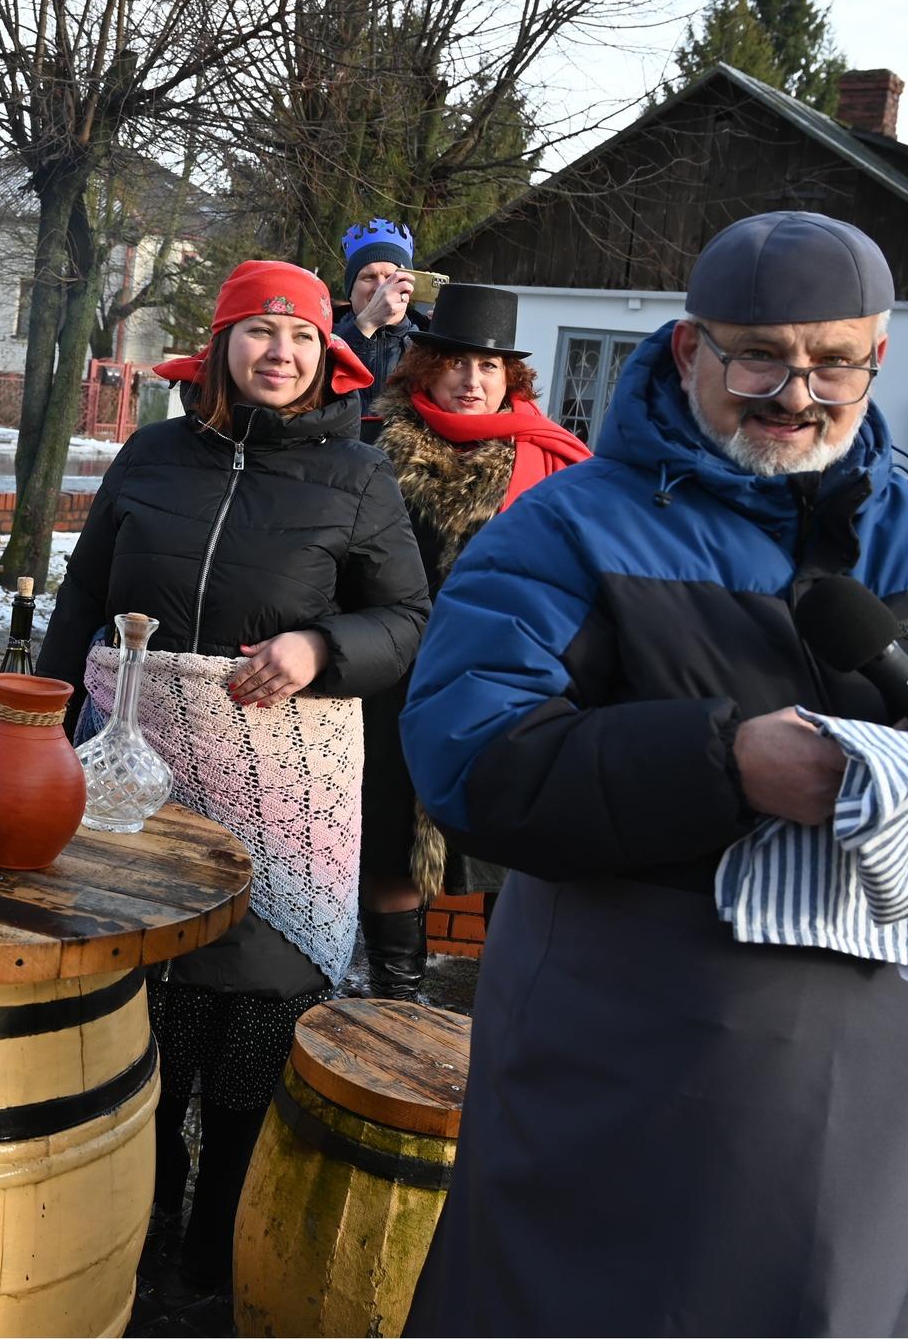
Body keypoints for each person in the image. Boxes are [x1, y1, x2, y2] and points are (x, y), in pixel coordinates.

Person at [398, 211, 908, 1336]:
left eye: (833, 362)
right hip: (630, 1050)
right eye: (758, 356)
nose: (796, 396)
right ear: (688, 349)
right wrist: (723, 763)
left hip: (894, 1077)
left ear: (877, 358)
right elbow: (465, 758)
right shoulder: (563, 531)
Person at [38, 259, 429, 1290]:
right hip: (136, 785)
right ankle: (131, 1228)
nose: (279, 352)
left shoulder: (357, 475)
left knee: (252, 1028)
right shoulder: (150, 456)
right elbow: (82, 600)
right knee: (146, 1022)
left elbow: (406, 619)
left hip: (281, 798)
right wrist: (31, 723)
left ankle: (220, 1247)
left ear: (325, 356)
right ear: (219, 346)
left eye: (301, 337)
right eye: (259, 330)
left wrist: (318, 647)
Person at [356, 284, 589, 999]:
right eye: (456, 362)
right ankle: (396, 994)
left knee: (506, 853)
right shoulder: (372, 448)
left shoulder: (550, 460)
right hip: (394, 679)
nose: (472, 379)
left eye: (489, 366)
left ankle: (504, 1003)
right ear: (425, 367)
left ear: (509, 377)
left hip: (506, 685)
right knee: (392, 845)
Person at [334, 218, 427, 439]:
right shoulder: (323, 337)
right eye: (368, 277)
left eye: (391, 277)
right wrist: (365, 325)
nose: (381, 287)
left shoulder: (427, 343)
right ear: (350, 290)